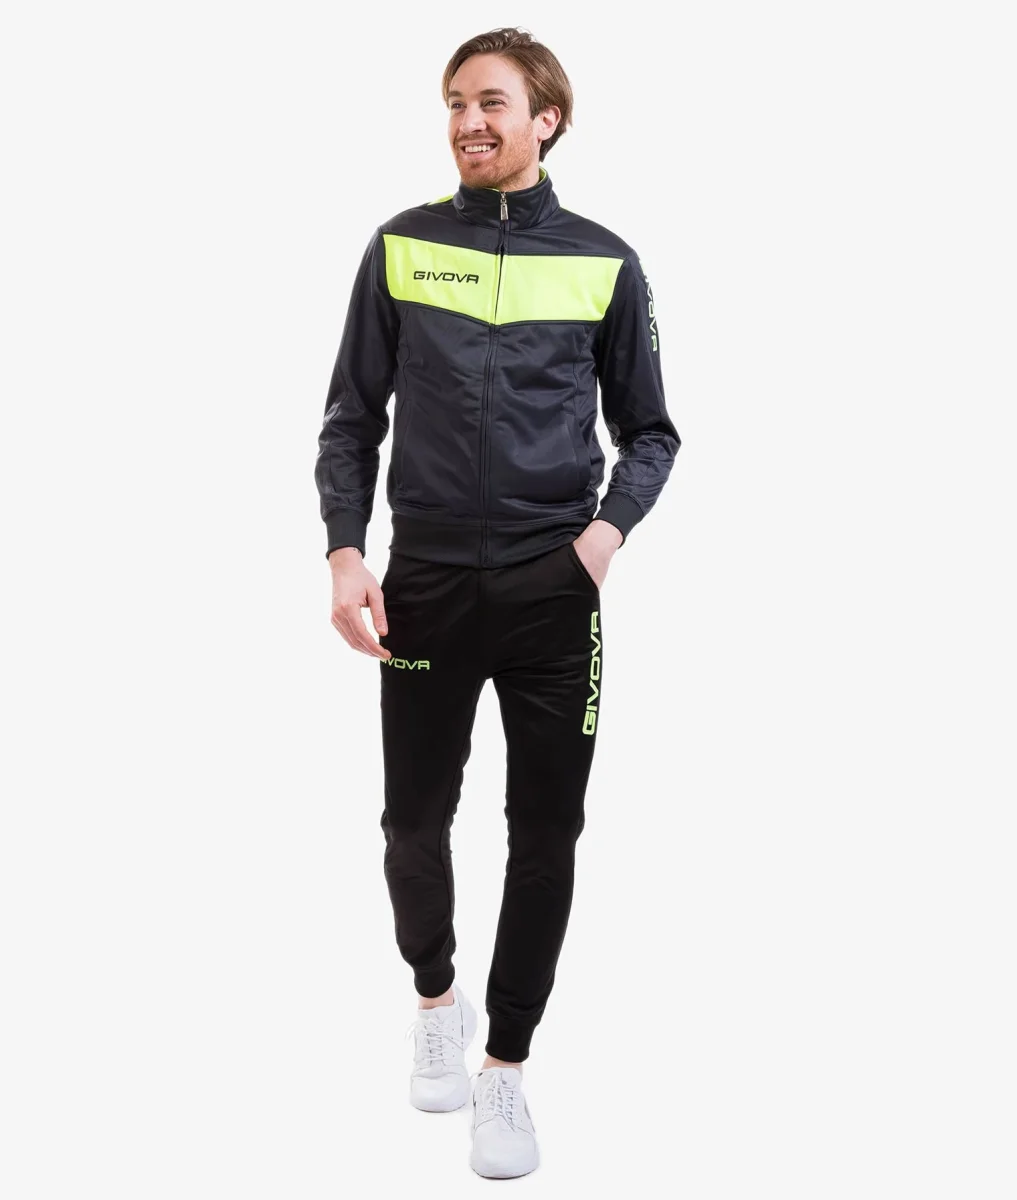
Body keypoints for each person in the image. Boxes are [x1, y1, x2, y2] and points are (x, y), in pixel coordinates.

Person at [314, 26, 680, 1179]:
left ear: (545, 120)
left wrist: (601, 542)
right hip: (423, 585)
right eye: (456, 103)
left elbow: (653, 433)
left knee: (546, 832)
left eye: (491, 103)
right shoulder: (402, 246)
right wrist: (345, 551)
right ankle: (436, 996)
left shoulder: (606, 262)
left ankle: (507, 1066)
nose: (469, 122)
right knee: (411, 826)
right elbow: (350, 418)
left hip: (549, 597)